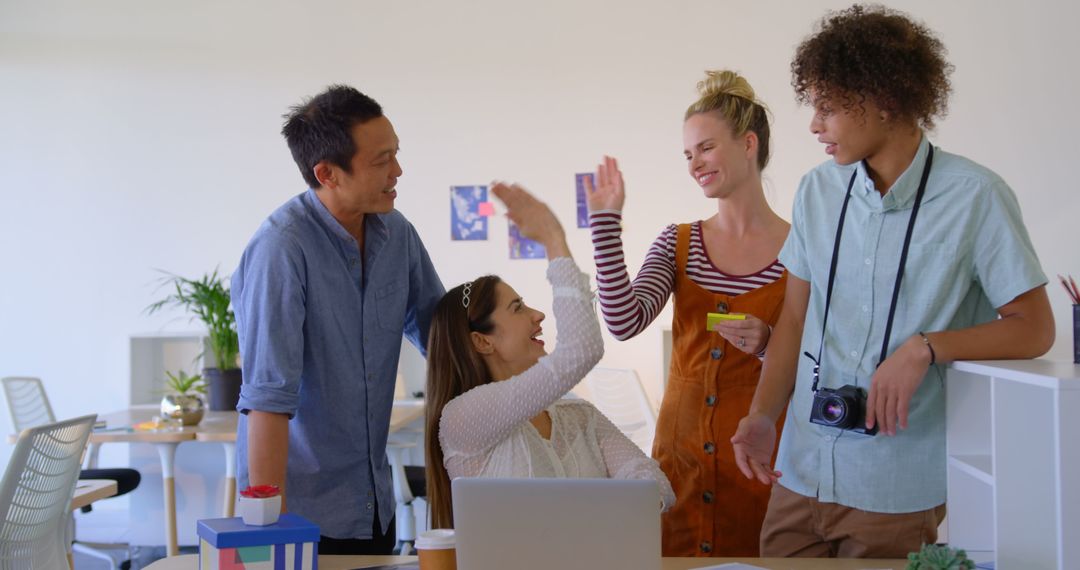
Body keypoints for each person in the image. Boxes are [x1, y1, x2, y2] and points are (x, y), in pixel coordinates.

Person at [731, 5, 1055, 558]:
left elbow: (1034, 329)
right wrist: (763, 414)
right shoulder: (816, 191)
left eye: (828, 107)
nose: (814, 125)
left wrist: (926, 348)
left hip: (895, 486)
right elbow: (794, 317)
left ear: (885, 100)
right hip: (800, 469)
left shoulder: (976, 196)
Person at [231, 85, 444, 554]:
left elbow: (440, 331)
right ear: (327, 173)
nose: (398, 171)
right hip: (300, 514)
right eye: (381, 160)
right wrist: (270, 541)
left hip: (372, 504)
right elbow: (267, 398)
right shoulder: (281, 249)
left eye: (396, 154)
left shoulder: (397, 233)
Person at [585, 70, 789, 556]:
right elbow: (624, 320)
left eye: (706, 148)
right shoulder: (678, 242)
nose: (695, 163)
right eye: (688, 154)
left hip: (762, 465)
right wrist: (605, 225)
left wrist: (770, 342)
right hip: (680, 465)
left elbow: (819, 357)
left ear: (748, 144)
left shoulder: (802, 249)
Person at [424, 182, 675, 529]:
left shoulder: (575, 413)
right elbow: (581, 350)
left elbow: (650, 478)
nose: (537, 314)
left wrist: (629, 506)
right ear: (483, 342)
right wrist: (553, 241)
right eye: (517, 308)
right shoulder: (462, 418)